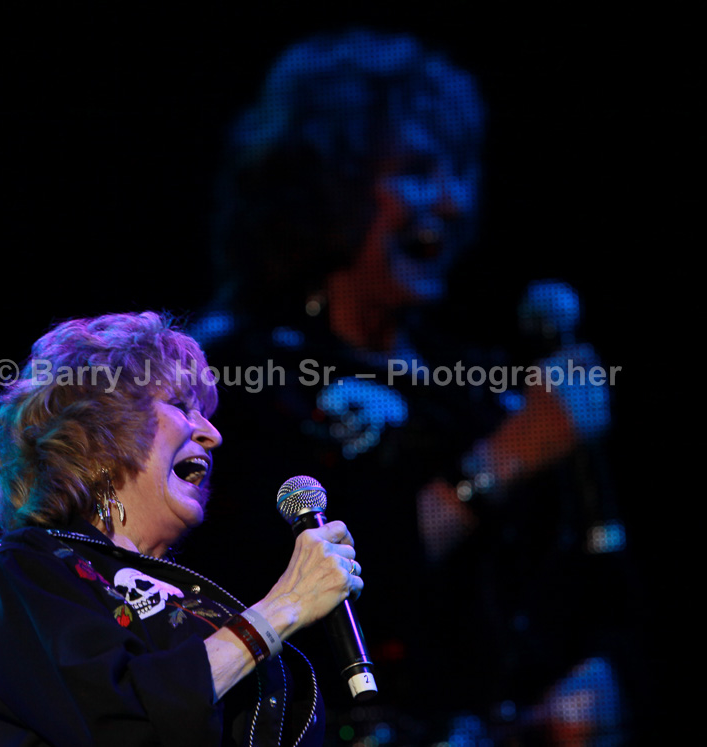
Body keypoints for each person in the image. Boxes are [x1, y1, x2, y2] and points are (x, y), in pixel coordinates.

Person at [191, 28, 640, 743]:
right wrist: (503, 460)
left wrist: (586, 685)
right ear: (329, 186)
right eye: (419, 170)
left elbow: (560, 595)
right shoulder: (231, 372)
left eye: (461, 170)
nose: (454, 201)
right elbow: (272, 589)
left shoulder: (472, 381)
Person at [0, 310, 366, 746]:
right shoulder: (25, 570)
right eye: (181, 407)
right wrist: (286, 605)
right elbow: (119, 720)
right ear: (101, 435)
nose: (212, 434)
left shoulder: (195, 603)